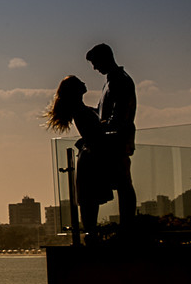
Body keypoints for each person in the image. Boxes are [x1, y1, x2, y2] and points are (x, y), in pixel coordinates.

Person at [43, 75, 116, 239]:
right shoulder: (80, 110)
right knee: (90, 201)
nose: (84, 83)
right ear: (75, 90)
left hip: (90, 158)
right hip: (91, 159)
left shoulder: (82, 110)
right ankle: (90, 234)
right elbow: (94, 132)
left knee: (90, 200)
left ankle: (91, 233)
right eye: (79, 82)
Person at [86, 43, 137, 227]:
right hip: (114, 140)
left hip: (117, 141)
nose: (95, 68)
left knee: (123, 185)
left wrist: (100, 127)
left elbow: (119, 115)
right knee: (122, 185)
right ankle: (127, 226)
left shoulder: (119, 81)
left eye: (95, 63)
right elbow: (105, 114)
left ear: (105, 59)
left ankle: (127, 227)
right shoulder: (111, 82)